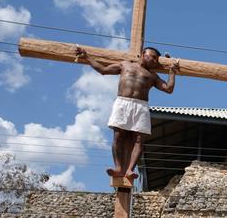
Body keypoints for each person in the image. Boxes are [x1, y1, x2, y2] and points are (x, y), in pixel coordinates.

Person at [75, 45, 179, 181]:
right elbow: (103, 70)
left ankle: (130, 170)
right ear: (142, 54)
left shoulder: (152, 75)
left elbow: (169, 89)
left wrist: (172, 71)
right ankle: (118, 167)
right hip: (123, 102)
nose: (154, 60)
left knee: (140, 139)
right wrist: (87, 57)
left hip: (141, 106)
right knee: (118, 135)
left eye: (156, 59)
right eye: (151, 56)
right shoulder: (125, 65)